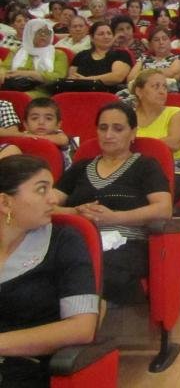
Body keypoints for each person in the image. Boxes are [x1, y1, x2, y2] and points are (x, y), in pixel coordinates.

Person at [54, 102, 171, 304]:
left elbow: (163, 209)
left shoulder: (146, 166)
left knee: (94, 271)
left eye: (118, 129)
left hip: (127, 244)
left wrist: (114, 217)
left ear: (133, 133)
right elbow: (44, 205)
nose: (108, 135)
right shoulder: (81, 167)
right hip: (78, 240)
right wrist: (75, 213)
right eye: (103, 128)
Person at [0, 154, 99, 387]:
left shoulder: (65, 241)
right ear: (5, 203)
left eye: (51, 189)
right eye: (41, 190)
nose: (53, 199)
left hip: (28, 367)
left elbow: (82, 328)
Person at [132, 70, 180, 204]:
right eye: (156, 86)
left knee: (153, 189)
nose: (162, 91)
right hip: (137, 166)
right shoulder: (128, 117)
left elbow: (174, 143)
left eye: (164, 87)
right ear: (139, 91)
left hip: (175, 168)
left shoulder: (176, 113)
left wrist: (136, 144)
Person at [0, 20, 68, 97]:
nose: (43, 35)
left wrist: (28, 74)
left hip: (41, 90)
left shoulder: (58, 54)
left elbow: (57, 78)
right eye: (39, 32)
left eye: (48, 32)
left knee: (18, 97)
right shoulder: (17, 51)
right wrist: (3, 73)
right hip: (13, 86)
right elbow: (4, 67)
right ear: (30, 33)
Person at [68, 21, 132, 92]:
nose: (106, 37)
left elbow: (117, 77)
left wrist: (85, 80)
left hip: (110, 94)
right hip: (80, 93)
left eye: (109, 33)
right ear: (92, 38)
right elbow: (72, 78)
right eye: (101, 34)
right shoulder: (81, 55)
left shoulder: (121, 54)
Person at [124, 26, 180, 92]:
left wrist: (142, 74)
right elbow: (130, 78)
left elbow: (171, 73)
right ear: (150, 44)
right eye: (156, 40)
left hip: (166, 92)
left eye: (164, 39)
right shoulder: (144, 58)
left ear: (170, 41)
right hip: (140, 92)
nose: (161, 42)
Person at [23, 97, 75, 168]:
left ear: (58, 125)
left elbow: (63, 140)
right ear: (26, 124)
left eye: (48, 118)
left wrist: (33, 137)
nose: (41, 122)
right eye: (34, 118)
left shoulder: (58, 134)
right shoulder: (23, 136)